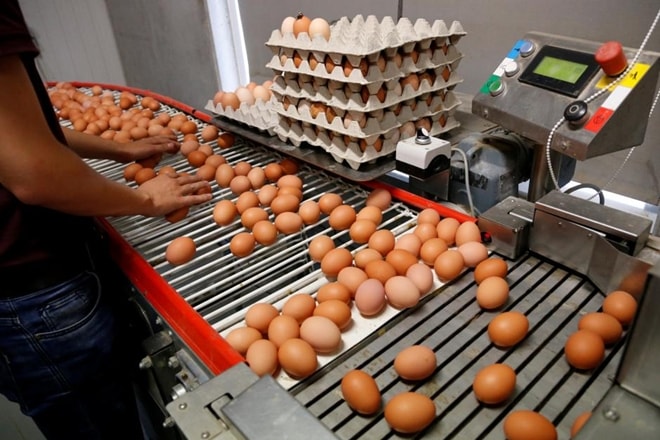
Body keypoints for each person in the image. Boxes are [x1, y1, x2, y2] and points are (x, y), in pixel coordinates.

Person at [0, 1, 212, 439]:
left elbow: (26, 131)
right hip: (33, 296)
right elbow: (32, 171)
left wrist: (118, 149)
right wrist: (144, 199)